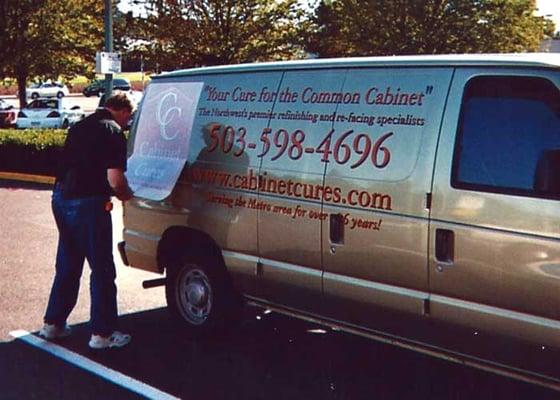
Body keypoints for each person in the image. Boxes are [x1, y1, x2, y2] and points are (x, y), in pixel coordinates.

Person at [39, 93, 134, 349]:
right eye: (129, 116)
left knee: (68, 263)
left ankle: (53, 324)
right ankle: (103, 334)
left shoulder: (80, 126)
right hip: (89, 203)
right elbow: (115, 180)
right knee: (102, 268)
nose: (128, 122)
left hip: (61, 197)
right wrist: (128, 197)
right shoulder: (113, 131)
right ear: (122, 110)